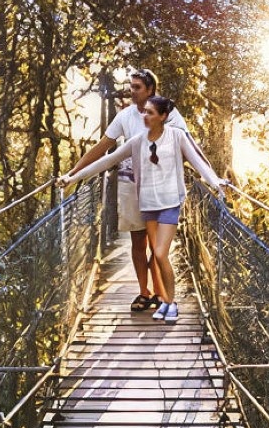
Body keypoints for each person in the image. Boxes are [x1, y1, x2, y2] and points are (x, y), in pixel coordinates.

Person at [58, 95, 225, 323]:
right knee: (158, 256)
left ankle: (171, 303)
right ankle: (166, 302)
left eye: (150, 113)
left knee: (159, 253)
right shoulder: (137, 141)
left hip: (169, 203)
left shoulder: (176, 136)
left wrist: (215, 183)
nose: (144, 116)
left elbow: (196, 161)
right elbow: (107, 161)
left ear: (163, 117)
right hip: (148, 205)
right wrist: (72, 177)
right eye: (144, 112)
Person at [65, 69, 198, 312]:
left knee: (158, 247)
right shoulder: (125, 116)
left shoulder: (167, 112)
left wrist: (208, 175)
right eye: (131, 86)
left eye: (137, 87)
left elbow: (187, 145)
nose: (131, 91)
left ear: (150, 90)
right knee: (138, 242)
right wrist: (73, 173)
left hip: (159, 188)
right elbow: (103, 148)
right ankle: (144, 293)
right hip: (130, 185)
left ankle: (160, 292)